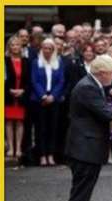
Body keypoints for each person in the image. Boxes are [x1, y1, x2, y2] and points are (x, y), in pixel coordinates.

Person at [64, 55, 112, 201]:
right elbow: (105, 113)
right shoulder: (88, 87)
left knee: (82, 194)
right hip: (84, 149)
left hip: (86, 147)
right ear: (103, 73)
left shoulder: (91, 84)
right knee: (80, 195)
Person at [30, 38, 65, 166]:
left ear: (53, 50)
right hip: (39, 100)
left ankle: (51, 155)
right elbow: (34, 81)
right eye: (45, 48)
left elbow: (61, 81)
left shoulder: (58, 62)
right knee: (41, 129)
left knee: (53, 129)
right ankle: (42, 155)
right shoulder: (36, 62)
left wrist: (53, 96)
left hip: (54, 100)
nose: (47, 50)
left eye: (50, 48)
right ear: (41, 49)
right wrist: (43, 96)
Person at [5, 36, 30, 160]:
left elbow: (30, 79)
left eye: (18, 45)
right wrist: (9, 90)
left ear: (21, 47)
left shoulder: (26, 61)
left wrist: (23, 90)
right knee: (9, 122)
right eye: (13, 45)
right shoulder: (4, 60)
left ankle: (19, 148)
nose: (15, 47)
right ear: (9, 47)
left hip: (22, 95)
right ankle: (10, 148)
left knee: (20, 122)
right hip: (8, 95)